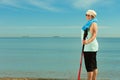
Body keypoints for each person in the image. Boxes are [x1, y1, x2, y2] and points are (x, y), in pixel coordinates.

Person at [81, 10, 99, 80]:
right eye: (86, 15)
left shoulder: (93, 23)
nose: (86, 16)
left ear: (92, 16)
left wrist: (87, 42)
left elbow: (94, 35)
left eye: (87, 15)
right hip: (89, 47)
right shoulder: (89, 23)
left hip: (89, 47)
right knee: (93, 66)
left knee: (89, 67)